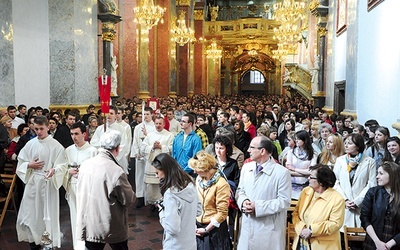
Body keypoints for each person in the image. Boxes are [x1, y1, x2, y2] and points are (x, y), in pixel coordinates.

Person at [76, 130, 136, 250]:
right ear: (117, 148)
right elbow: (129, 200)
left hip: (89, 222)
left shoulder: (85, 164)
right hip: (110, 223)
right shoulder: (116, 171)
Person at [16, 115, 68, 249]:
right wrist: (29, 165)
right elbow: (21, 161)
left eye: (41, 129)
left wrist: (54, 170)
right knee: (31, 214)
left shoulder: (56, 146)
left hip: (48, 183)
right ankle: (33, 240)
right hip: (33, 183)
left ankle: (47, 242)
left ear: (48, 127)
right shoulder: (30, 144)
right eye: (36, 129)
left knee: (47, 214)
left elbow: (63, 165)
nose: (39, 132)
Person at [236, 136, 292, 250]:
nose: (248, 150)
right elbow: (240, 190)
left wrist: (257, 206)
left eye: (252, 147)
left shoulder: (281, 173)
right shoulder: (246, 168)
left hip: (268, 229)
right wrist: (243, 202)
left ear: (262, 151)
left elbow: (284, 201)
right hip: (247, 226)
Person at [151, 153, 199, 250]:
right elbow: (199, 211)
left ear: (165, 171)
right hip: (191, 243)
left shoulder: (170, 194)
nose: (156, 176)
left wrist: (161, 212)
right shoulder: (190, 184)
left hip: (174, 245)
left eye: (157, 173)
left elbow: (173, 229)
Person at [292, 164, 345, 250]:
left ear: (321, 181)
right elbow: (296, 213)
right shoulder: (306, 191)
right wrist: (301, 228)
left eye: (311, 177)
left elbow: (335, 224)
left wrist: (311, 230)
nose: (308, 178)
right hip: (302, 242)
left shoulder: (337, 199)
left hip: (323, 246)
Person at [64, 122, 98, 250]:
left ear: (84, 134)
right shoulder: (68, 150)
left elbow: (97, 173)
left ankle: (89, 245)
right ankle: (77, 246)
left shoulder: (93, 151)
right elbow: (63, 169)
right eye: (72, 134)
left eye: (76, 134)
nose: (74, 137)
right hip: (73, 188)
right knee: (75, 217)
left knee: (87, 218)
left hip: (88, 189)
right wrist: (68, 172)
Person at [188, 151, 232, 250]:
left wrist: (206, 230)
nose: (194, 172)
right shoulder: (199, 179)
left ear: (205, 169)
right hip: (198, 226)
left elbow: (222, 213)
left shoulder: (221, 184)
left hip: (214, 230)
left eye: (197, 169)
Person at [333, 134, 376, 232]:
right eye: (346, 143)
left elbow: (371, 184)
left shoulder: (370, 161)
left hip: (361, 205)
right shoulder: (340, 160)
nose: (346, 145)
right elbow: (335, 182)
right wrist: (345, 200)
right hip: (343, 204)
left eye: (350, 143)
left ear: (358, 146)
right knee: (342, 237)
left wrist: (357, 201)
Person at [361, 161, 400, 250]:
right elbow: (364, 218)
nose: (377, 176)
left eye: (381, 173)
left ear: (392, 175)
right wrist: (378, 242)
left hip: (395, 245)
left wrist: (389, 245)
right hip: (372, 244)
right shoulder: (373, 192)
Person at [141, 117, 174, 206]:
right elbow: (143, 148)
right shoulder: (149, 135)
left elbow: (172, 149)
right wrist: (152, 147)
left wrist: (161, 147)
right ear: (154, 124)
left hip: (163, 165)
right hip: (151, 165)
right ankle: (152, 203)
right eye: (156, 123)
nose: (158, 125)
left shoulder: (169, 135)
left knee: (163, 185)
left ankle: (163, 203)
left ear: (164, 124)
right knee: (152, 187)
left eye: (160, 124)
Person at [131, 106, 155, 208]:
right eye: (143, 114)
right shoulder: (138, 127)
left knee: (150, 176)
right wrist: (136, 152)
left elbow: (153, 140)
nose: (145, 116)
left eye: (147, 114)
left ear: (152, 115)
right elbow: (135, 141)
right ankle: (140, 197)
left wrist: (147, 134)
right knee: (139, 175)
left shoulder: (154, 127)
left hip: (149, 155)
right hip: (140, 155)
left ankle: (150, 198)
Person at [286, 130, 317, 199]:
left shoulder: (313, 154)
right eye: (295, 139)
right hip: (291, 185)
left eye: (298, 139)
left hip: (306, 185)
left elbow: (311, 171)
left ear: (304, 140)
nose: (296, 141)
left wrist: (294, 169)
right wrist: (304, 173)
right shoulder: (291, 152)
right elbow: (288, 170)